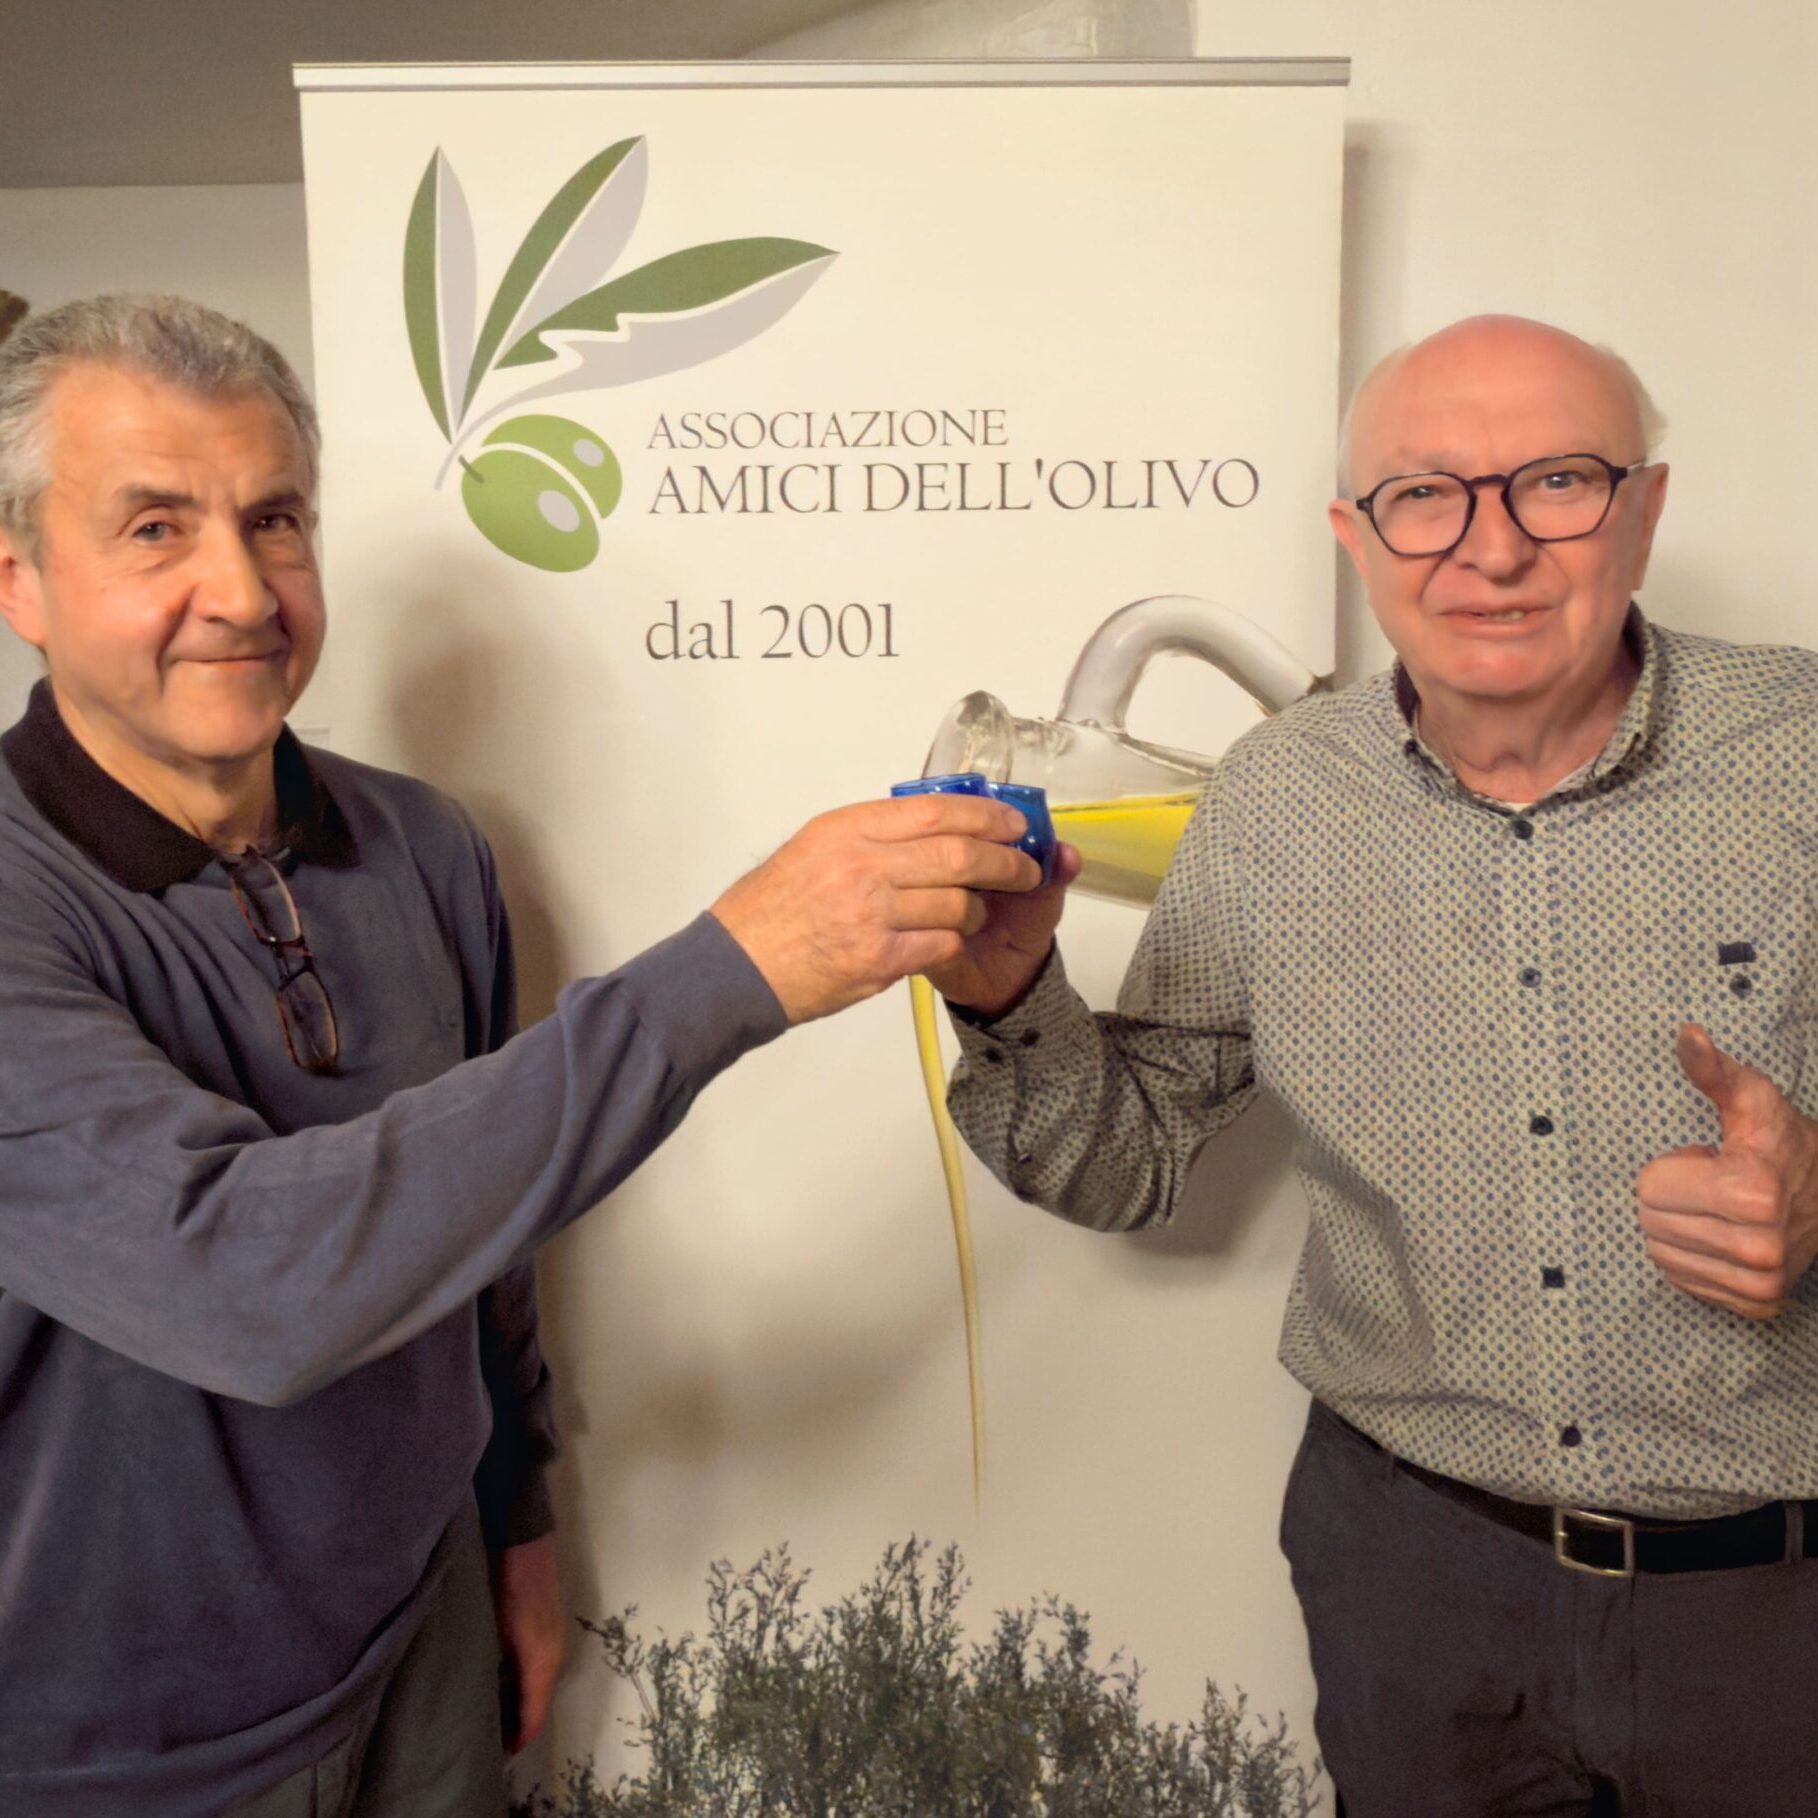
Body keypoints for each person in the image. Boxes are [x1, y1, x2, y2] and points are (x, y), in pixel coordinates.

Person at [0, 294, 1039, 1818]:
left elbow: (478, 1238)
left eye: (274, 519)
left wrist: (514, 1521)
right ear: (19, 577)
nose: (241, 589)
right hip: (120, 1751)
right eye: (154, 528)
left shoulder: (420, 844)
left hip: (418, 1646)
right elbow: (246, 1280)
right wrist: (735, 966)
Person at [936, 314, 1818, 1816]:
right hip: (1416, 1590)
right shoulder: (1278, 795)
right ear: (1356, 538)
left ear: (1646, 509)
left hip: (1774, 1610)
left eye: (1558, 481)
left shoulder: (1799, 745)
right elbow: (1121, 1160)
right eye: (1425, 496)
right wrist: (1012, 991)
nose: (1493, 548)